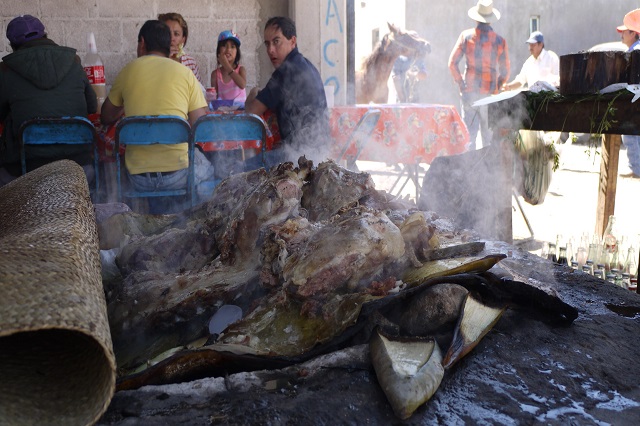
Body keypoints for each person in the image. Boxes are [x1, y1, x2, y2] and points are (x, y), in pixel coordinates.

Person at [101, 19, 213, 213]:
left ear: (142, 43)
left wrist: (125, 103)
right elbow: (200, 127)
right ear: (169, 46)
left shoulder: (128, 71)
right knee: (209, 167)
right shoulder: (185, 74)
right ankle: (193, 217)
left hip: (138, 179)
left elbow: (106, 116)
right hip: (178, 175)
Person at [0, 14, 97, 187]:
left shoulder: (6, 70)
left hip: (25, 172)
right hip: (79, 168)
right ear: (45, 35)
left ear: (13, 46)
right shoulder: (73, 62)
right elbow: (92, 106)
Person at [245, 16, 330, 170]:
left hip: (300, 158)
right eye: (267, 44)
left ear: (292, 41)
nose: (270, 50)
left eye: (276, 41)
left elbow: (251, 111)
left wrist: (252, 92)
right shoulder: (306, 65)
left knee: (238, 170)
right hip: (320, 154)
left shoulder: (285, 71)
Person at [448, 0, 510, 150]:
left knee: (469, 137)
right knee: (488, 139)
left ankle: (469, 170)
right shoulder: (500, 41)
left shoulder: (466, 36)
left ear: (476, 18)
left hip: (470, 93)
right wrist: (498, 86)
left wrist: (461, 84)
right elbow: (505, 71)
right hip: (490, 96)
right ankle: (487, 172)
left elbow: (452, 63)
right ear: (490, 19)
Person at [618, 9, 640, 179]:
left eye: (624, 31)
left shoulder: (635, 52)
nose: (621, 35)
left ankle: (637, 169)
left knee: (631, 132)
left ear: (633, 33)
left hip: (635, 98)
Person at [158, 12, 204, 87]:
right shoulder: (155, 59)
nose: (172, 38)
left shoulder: (190, 62)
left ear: (183, 39)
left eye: (176, 34)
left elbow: (199, 91)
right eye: (167, 33)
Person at [211, 30, 247, 102]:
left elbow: (242, 85)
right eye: (224, 46)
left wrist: (227, 66)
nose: (228, 49)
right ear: (219, 50)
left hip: (241, 112)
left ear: (237, 51)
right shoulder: (215, 74)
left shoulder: (241, 69)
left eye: (232, 46)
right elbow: (214, 98)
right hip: (223, 112)